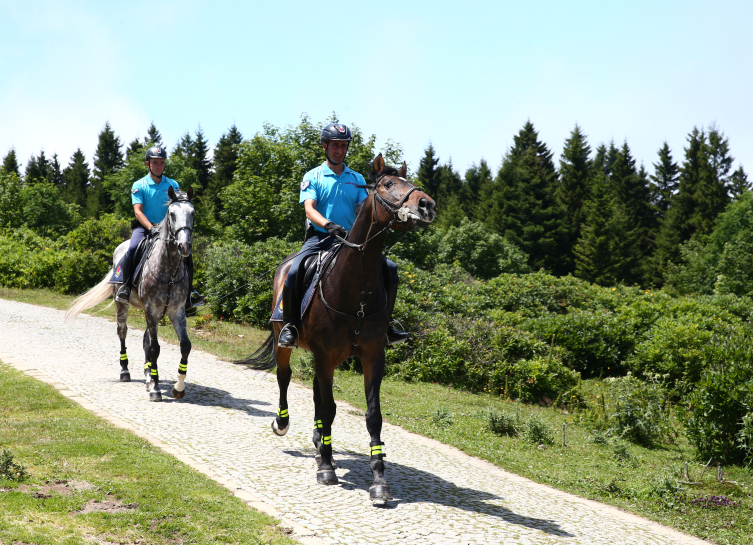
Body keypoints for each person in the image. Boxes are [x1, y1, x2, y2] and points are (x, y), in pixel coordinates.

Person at [277, 123, 407, 348]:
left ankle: (386, 326)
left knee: (391, 268)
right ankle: (290, 325)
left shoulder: (356, 179)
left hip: (350, 240)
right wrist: (328, 225)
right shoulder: (313, 176)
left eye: (343, 146)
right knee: (295, 270)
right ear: (325, 146)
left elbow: (367, 209)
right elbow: (309, 208)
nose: (340, 150)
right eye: (335, 146)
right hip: (320, 237)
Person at [115, 146, 204, 309]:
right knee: (133, 247)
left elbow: (178, 209)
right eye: (155, 163)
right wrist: (151, 227)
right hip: (145, 227)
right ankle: (125, 288)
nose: (159, 166)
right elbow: (138, 212)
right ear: (148, 164)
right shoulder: (139, 185)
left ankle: (190, 292)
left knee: (186, 253)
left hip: (168, 230)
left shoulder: (173, 184)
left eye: (162, 163)